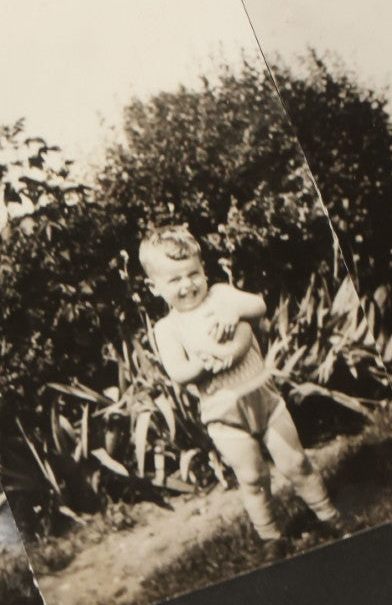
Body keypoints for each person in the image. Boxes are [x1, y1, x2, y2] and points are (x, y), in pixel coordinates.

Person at [139, 226, 343, 551]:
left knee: (296, 463)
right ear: (154, 288)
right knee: (252, 477)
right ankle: (271, 537)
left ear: (203, 270)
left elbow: (259, 305)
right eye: (174, 280)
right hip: (223, 412)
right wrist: (202, 364)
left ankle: (330, 516)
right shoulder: (168, 328)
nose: (187, 285)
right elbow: (177, 372)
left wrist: (232, 312)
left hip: (264, 397)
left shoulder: (220, 296)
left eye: (193, 274)